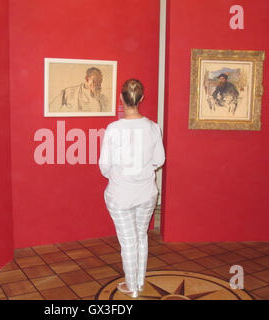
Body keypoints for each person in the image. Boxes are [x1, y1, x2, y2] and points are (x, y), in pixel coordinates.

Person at [98, 79, 165, 298]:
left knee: (128, 241)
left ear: (121, 98)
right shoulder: (153, 127)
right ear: (142, 98)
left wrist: (120, 176)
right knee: (141, 237)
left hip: (120, 195)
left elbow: (104, 166)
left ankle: (132, 287)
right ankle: (140, 281)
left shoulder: (113, 129)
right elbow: (160, 160)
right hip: (147, 193)